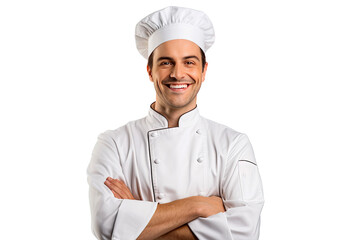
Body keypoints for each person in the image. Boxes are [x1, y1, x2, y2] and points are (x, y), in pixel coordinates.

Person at [87, 6, 264, 240]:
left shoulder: (233, 144)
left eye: (189, 62)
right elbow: (106, 226)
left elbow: (245, 233)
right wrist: (198, 205)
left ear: (204, 70)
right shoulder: (114, 143)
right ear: (150, 71)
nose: (178, 74)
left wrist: (134, 224)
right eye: (166, 62)